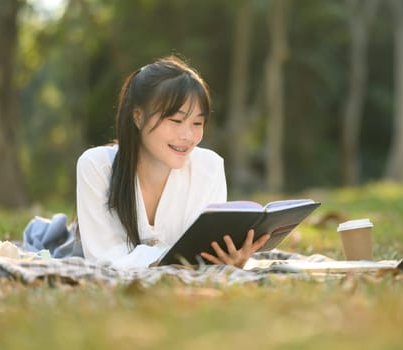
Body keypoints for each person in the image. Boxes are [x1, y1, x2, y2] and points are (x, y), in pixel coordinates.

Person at [76, 56, 270, 269]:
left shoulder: (209, 168)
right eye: (176, 121)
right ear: (138, 117)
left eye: (197, 122)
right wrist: (172, 260)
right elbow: (104, 256)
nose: (188, 135)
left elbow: (206, 253)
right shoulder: (97, 166)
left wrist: (228, 261)